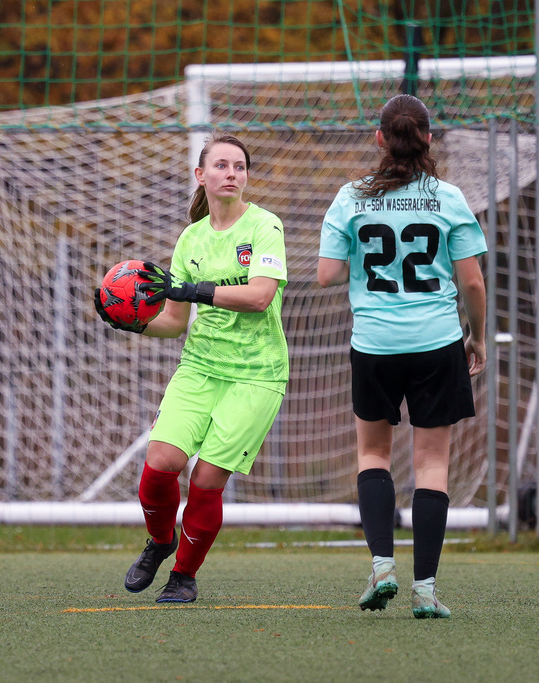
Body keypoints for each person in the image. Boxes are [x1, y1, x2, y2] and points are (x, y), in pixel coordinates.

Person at [94, 130, 289, 604]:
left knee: (205, 480)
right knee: (159, 468)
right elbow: (176, 321)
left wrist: (195, 290)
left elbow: (261, 296)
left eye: (239, 166)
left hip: (256, 374)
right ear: (200, 176)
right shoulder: (191, 239)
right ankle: (160, 542)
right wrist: (134, 324)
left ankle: (183, 575)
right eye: (220, 166)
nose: (231, 173)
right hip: (199, 367)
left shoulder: (265, 226)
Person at [317, 94, 487, 619]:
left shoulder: (350, 197)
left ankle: (382, 567)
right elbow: (473, 282)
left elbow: (326, 274)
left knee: (374, 457)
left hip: (375, 344)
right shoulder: (449, 197)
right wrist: (474, 336)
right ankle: (426, 591)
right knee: (432, 463)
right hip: (437, 342)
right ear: (429, 140)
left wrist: (363, 254)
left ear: (379, 139)